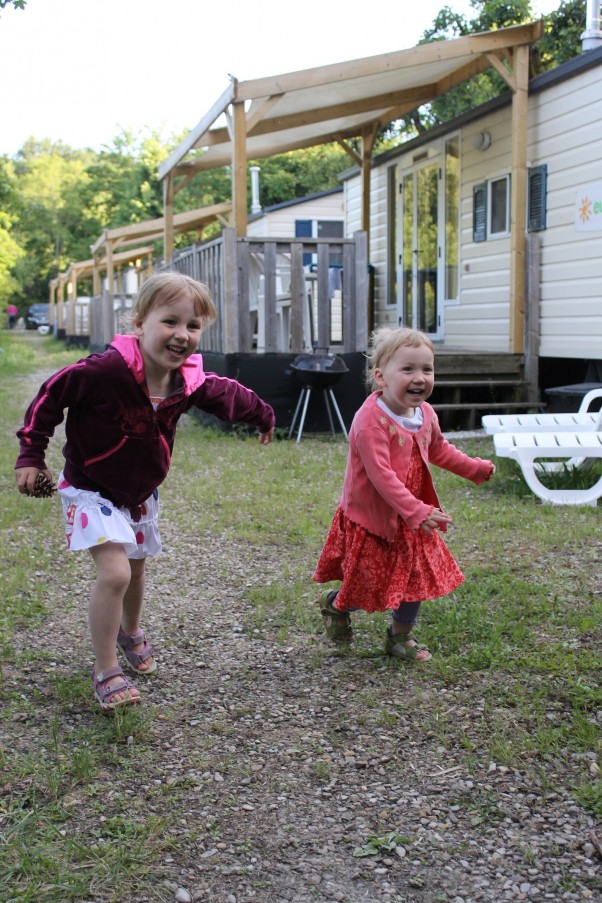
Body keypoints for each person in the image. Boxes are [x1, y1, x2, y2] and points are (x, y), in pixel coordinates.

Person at [15, 272, 275, 711]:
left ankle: (130, 630)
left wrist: (263, 417)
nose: (182, 334)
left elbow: (231, 396)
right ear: (139, 323)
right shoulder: (103, 372)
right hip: (90, 488)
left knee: (135, 570)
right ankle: (106, 667)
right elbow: (49, 397)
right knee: (115, 573)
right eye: (169, 321)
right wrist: (31, 455)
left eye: (193, 326)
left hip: (139, 493)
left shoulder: (188, 383)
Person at [313, 326, 495, 661]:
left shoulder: (425, 414)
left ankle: (400, 637)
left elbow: (439, 449)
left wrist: (473, 468)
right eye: (408, 369)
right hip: (377, 518)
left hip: (412, 518)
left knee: (415, 580)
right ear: (381, 377)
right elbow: (382, 477)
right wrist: (416, 510)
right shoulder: (371, 421)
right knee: (368, 587)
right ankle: (337, 604)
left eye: (427, 369)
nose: (420, 377)